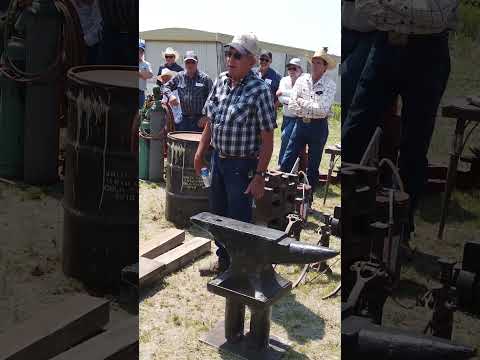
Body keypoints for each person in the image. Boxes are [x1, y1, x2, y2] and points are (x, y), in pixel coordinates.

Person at [341, 0, 458, 243]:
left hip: (428, 54)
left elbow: (436, 16)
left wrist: (388, 8)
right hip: (385, 47)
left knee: (414, 148)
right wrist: (412, 11)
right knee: (353, 135)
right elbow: (364, 7)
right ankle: (350, 221)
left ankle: (400, 233)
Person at [194, 32, 276, 275]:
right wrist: (200, 153)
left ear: (251, 60)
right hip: (218, 160)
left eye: (237, 55)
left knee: (238, 219)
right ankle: (223, 259)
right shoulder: (220, 81)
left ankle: (238, 268)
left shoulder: (259, 90)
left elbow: (268, 139)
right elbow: (210, 121)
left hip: (243, 166)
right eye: (229, 53)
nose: (230, 59)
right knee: (217, 214)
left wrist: (260, 175)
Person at [280, 49, 337, 194]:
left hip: (318, 127)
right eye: (313, 62)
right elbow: (292, 105)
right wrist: (308, 108)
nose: (315, 65)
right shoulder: (301, 80)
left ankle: (308, 200)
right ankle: (281, 194)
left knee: (313, 165)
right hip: (300, 124)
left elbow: (323, 109)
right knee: (288, 158)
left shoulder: (330, 84)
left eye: (319, 63)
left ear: (325, 67)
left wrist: (302, 102)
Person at [162, 50, 213, 132]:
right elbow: (165, 87)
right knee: (182, 143)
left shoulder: (205, 79)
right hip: (184, 120)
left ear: (197, 63)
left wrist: (206, 117)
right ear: (184, 64)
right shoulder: (179, 76)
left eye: (192, 62)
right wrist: (171, 96)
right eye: (187, 62)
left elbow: (213, 99)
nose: (190, 65)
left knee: (198, 144)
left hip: (200, 121)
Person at [276, 58, 304, 167]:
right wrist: (294, 99)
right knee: (287, 142)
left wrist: (283, 92)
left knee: (285, 137)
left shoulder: (304, 81)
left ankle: (282, 166)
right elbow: (280, 99)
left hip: (297, 118)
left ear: (300, 69)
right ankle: (289, 166)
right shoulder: (284, 80)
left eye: (294, 68)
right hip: (286, 117)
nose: (291, 70)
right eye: (289, 68)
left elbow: (300, 96)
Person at [138, 39, 153, 109]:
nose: (139, 52)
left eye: (141, 51)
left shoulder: (146, 64)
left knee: (140, 111)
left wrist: (139, 74)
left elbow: (150, 75)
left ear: (143, 53)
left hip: (141, 92)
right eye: (138, 50)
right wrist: (143, 75)